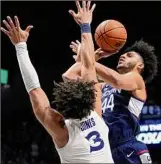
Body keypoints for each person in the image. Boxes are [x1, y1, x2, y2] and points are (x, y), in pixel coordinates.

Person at [1, 1, 114, 163]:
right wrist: (85, 25)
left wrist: (20, 46)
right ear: (90, 97)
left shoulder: (63, 131)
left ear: (60, 106)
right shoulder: (96, 114)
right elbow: (89, 66)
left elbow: (35, 91)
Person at [63, 35, 158, 163]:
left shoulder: (137, 80)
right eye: (123, 54)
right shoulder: (104, 86)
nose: (123, 56)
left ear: (140, 65)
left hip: (127, 146)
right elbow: (69, 76)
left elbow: (117, 80)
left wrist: (87, 57)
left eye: (129, 55)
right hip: (104, 147)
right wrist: (93, 57)